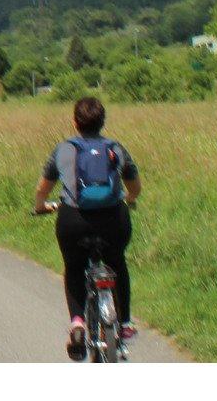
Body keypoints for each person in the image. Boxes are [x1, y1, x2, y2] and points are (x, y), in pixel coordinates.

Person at [32, 95, 141, 360]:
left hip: (74, 221)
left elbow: (42, 189)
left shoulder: (63, 149)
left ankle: (78, 323)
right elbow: (135, 187)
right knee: (117, 263)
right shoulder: (116, 148)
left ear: (75, 122)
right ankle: (125, 323)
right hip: (113, 220)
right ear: (103, 122)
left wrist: (41, 206)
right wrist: (129, 200)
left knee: (74, 268)